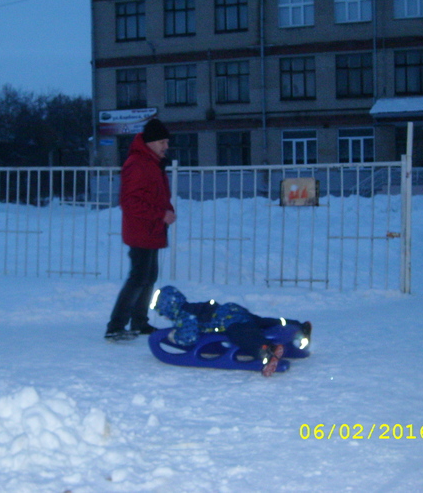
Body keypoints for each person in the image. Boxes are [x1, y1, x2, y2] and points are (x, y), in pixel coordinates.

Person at [105, 118, 176, 341]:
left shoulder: (152, 162)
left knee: (148, 276)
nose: (166, 146)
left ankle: (139, 322)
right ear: (151, 142)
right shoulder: (137, 163)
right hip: (141, 230)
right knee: (138, 277)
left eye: (167, 142)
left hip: (152, 229)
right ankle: (116, 326)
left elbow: (157, 195)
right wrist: (161, 214)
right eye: (162, 142)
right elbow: (129, 202)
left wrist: (167, 210)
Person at [151, 285, 312, 377]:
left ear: (169, 309)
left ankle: (267, 350)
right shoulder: (191, 307)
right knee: (260, 322)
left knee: (240, 334)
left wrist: (174, 337)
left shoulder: (184, 316)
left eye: (163, 313)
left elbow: (189, 337)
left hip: (227, 319)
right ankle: (298, 326)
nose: (164, 317)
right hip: (231, 309)